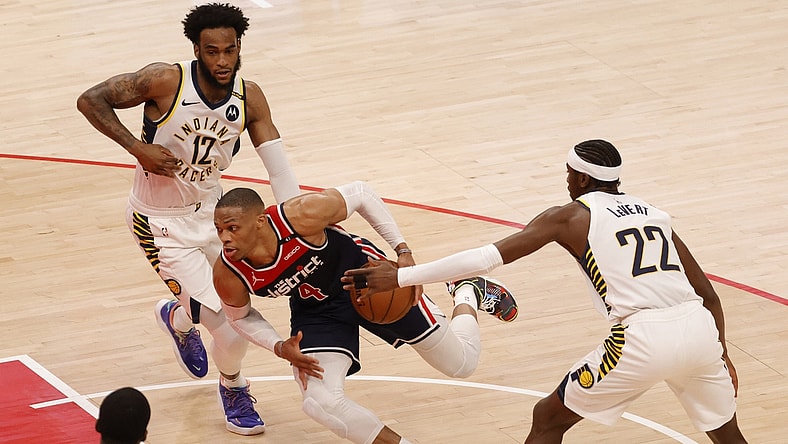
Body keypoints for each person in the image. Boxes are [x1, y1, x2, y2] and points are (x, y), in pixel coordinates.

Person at [342, 140, 748, 443]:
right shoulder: (655, 215)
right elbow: (709, 295)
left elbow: (485, 258)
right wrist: (724, 353)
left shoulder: (569, 216)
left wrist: (399, 278)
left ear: (583, 178)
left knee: (548, 418)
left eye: (569, 174)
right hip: (699, 331)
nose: (567, 180)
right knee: (727, 435)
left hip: (642, 337)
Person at [76, 3, 301, 435]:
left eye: (229, 51)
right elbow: (90, 100)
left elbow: (278, 169)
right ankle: (233, 385)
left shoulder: (249, 95)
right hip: (159, 224)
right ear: (196, 48)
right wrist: (136, 147)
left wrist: (294, 222)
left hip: (215, 216)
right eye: (211, 51)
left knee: (225, 308)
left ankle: (178, 318)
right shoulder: (164, 80)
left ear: (239, 48)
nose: (221, 61)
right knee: (232, 330)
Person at [211, 181, 519, 444]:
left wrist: (403, 251)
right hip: (318, 311)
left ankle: (467, 290)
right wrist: (279, 346)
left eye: (233, 228)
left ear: (261, 221)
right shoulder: (228, 272)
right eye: (219, 229)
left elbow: (361, 193)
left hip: (372, 281)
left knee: (461, 364)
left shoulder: (299, 216)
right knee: (320, 403)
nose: (224, 237)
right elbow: (239, 317)